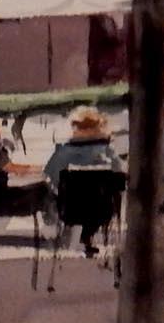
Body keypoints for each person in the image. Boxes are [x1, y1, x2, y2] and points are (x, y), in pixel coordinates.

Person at [43, 105, 126, 255]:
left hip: (70, 207)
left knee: (52, 191)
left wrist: (59, 190)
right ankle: (88, 236)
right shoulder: (107, 150)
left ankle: (64, 230)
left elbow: (50, 176)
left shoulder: (64, 151)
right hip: (102, 208)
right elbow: (120, 176)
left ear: (76, 128)